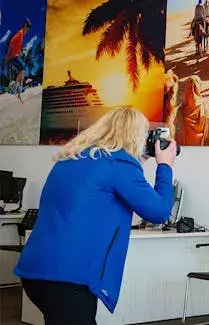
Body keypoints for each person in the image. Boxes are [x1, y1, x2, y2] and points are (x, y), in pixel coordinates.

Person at [13, 107, 178, 325]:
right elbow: (159, 211)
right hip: (69, 278)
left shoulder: (72, 157)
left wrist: (138, 160)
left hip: (37, 271)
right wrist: (165, 165)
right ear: (135, 135)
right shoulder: (119, 163)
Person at [4, 18, 31, 103]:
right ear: (25, 27)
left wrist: (20, 51)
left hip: (15, 56)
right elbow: (12, 43)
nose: (27, 32)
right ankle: (15, 86)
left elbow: (17, 46)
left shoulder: (22, 35)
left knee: (22, 75)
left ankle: (19, 94)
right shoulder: (20, 34)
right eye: (27, 29)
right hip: (12, 57)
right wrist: (8, 56)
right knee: (22, 70)